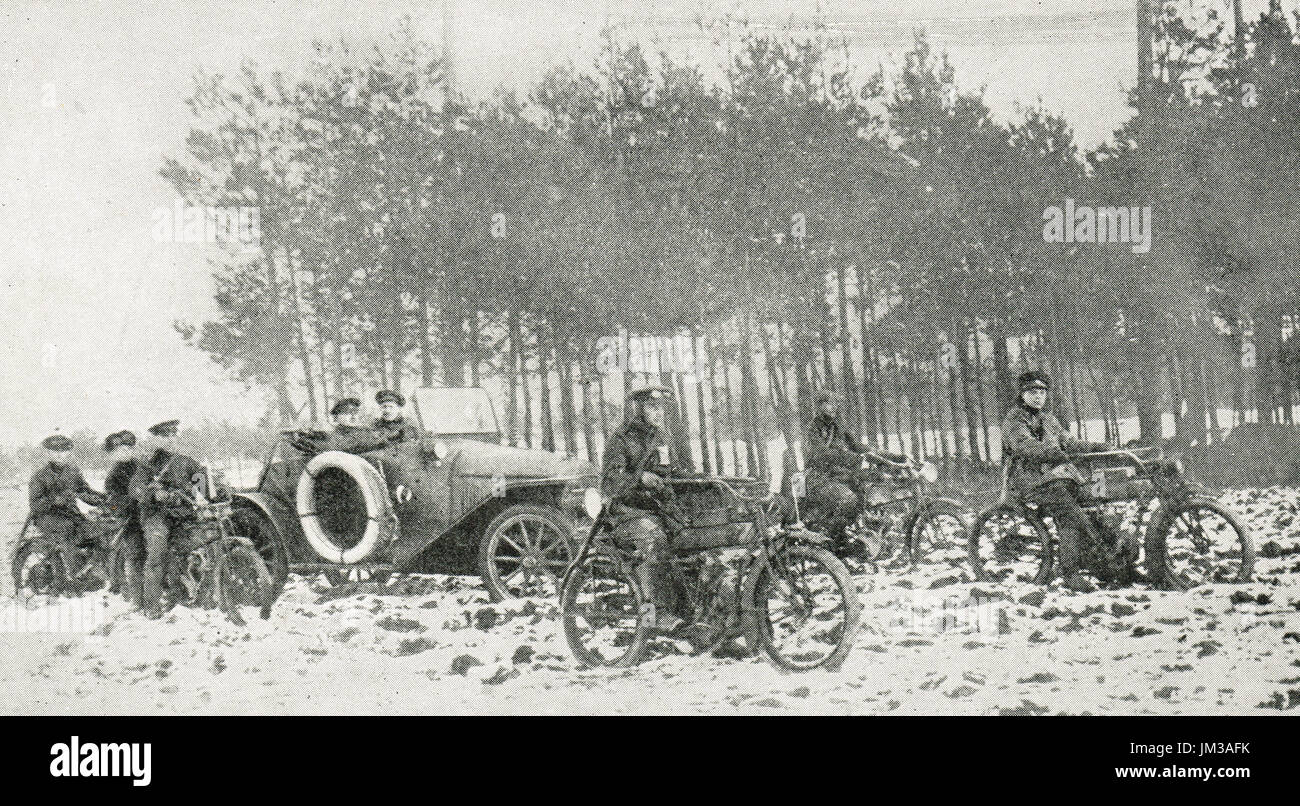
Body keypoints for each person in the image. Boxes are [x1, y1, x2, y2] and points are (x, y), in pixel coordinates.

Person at [1001, 370, 1130, 592]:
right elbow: (1025, 446)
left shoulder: (1049, 420)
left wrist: (1100, 448)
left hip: (1057, 477)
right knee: (1070, 515)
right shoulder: (1014, 419)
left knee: (1096, 502)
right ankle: (1070, 573)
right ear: (1022, 395)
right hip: (1028, 480)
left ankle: (1110, 562)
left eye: (1042, 391)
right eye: (1032, 392)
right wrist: (1056, 453)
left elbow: (1070, 442)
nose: (1038, 396)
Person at [601, 384, 690, 633]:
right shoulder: (621, 439)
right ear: (639, 409)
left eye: (661, 408)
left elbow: (672, 472)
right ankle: (654, 615)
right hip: (626, 514)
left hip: (657, 510)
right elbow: (609, 482)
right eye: (652, 407)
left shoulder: (660, 438)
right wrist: (639, 478)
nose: (659, 413)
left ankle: (688, 613)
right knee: (654, 540)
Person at [802, 389, 908, 550]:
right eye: (830, 403)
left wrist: (894, 457)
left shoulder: (837, 426)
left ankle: (868, 535)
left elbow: (858, 446)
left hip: (837, 476)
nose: (834, 407)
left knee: (870, 491)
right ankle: (831, 541)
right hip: (818, 478)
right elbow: (822, 454)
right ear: (820, 406)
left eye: (836, 403)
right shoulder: (813, 429)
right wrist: (854, 459)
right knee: (849, 500)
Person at [128, 420, 204, 618]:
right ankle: (151, 605)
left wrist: (218, 489)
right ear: (156, 439)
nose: (170, 440)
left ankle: (194, 590)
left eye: (172, 435)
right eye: (164, 436)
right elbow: (136, 489)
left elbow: (204, 483)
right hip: (157, 516)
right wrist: (153, 494)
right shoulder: (146, 464)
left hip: (184, 515)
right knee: (157, 553)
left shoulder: (186, 462)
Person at [27, 434, 105, 579]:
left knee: (97, 529)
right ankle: (74, 575)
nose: (60, 455)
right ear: (48, 453)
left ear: (69, 452)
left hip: (71, 513)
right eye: (55, 451)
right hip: (47, 517)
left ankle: (91, 567)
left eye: (64, 451)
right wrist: (54, 500)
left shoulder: (73, 471)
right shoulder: (39, 476)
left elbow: (85, 491)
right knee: (68, 528)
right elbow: (35, 505)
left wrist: (103, 498)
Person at [103, 430, 143, 602]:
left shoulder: (142, 465)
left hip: (149, 513)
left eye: (129, 448)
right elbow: (114, 502)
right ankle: (136, 598)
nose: (126, 452)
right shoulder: (113, 476)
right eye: (120, 450)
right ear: (113, 454)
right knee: (135, 555)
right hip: (130, 519)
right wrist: (133, 500)